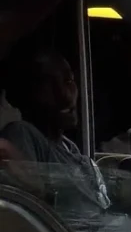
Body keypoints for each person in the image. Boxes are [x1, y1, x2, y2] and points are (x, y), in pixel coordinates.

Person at [0, 46, 109, 206]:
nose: (64, 94)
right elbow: (26, 208)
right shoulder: (22, 134)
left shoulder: (70, 149)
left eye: (68, 81)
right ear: (24, 94)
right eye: (47, 86)